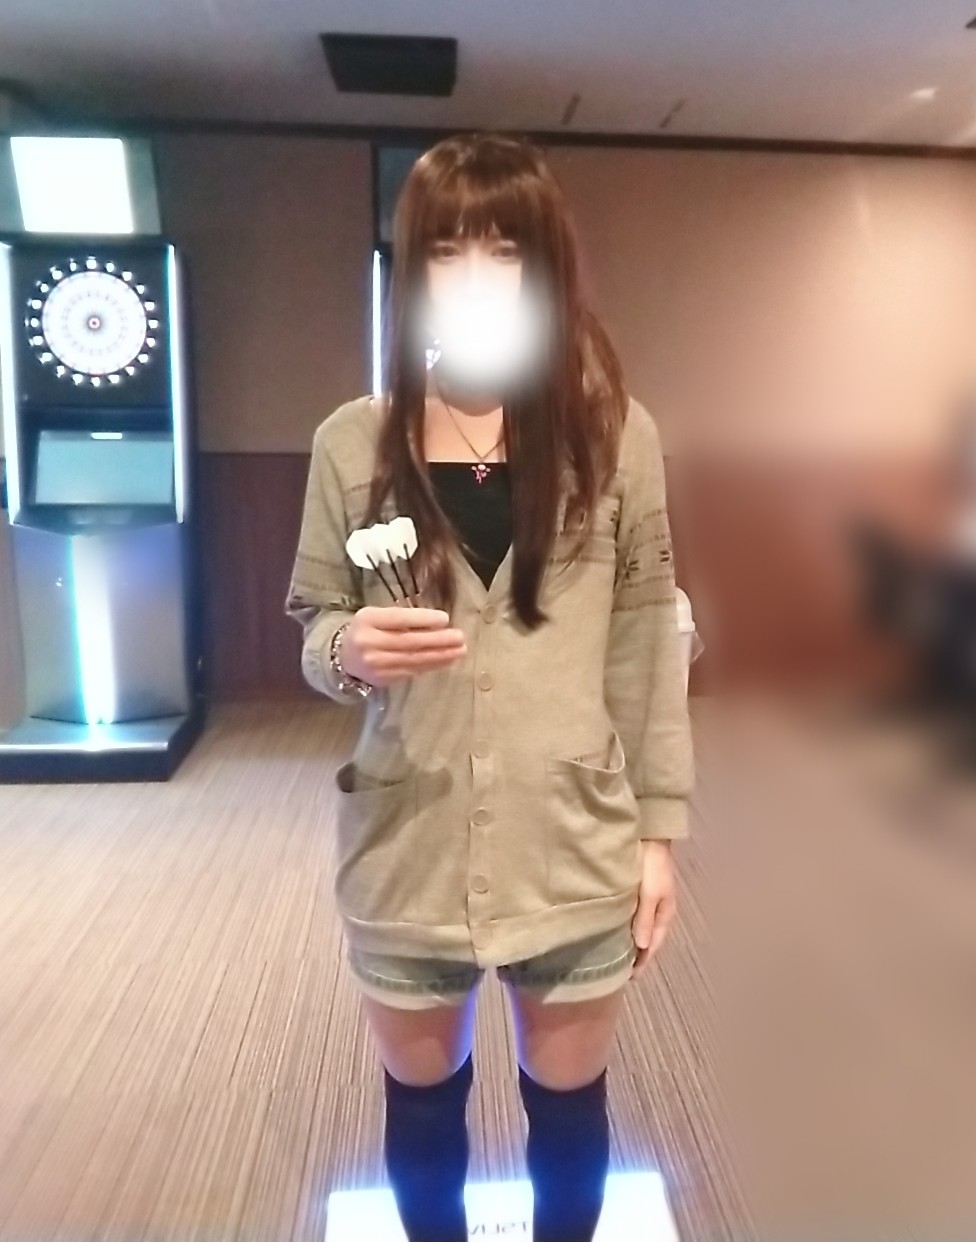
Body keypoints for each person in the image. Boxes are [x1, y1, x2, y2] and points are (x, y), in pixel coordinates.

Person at [286, 132, 694, 1242]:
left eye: (504, 250)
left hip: (571, 837)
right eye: (447, 249)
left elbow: (646, 637)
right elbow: (315, 622)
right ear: (412, 268)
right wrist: (348, 650)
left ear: (545, 267)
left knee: (568, 1118)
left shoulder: (616, 437)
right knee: (423, 1117)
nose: (474, 275)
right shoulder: (351, 444)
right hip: (408, 844)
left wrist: (658, 833)